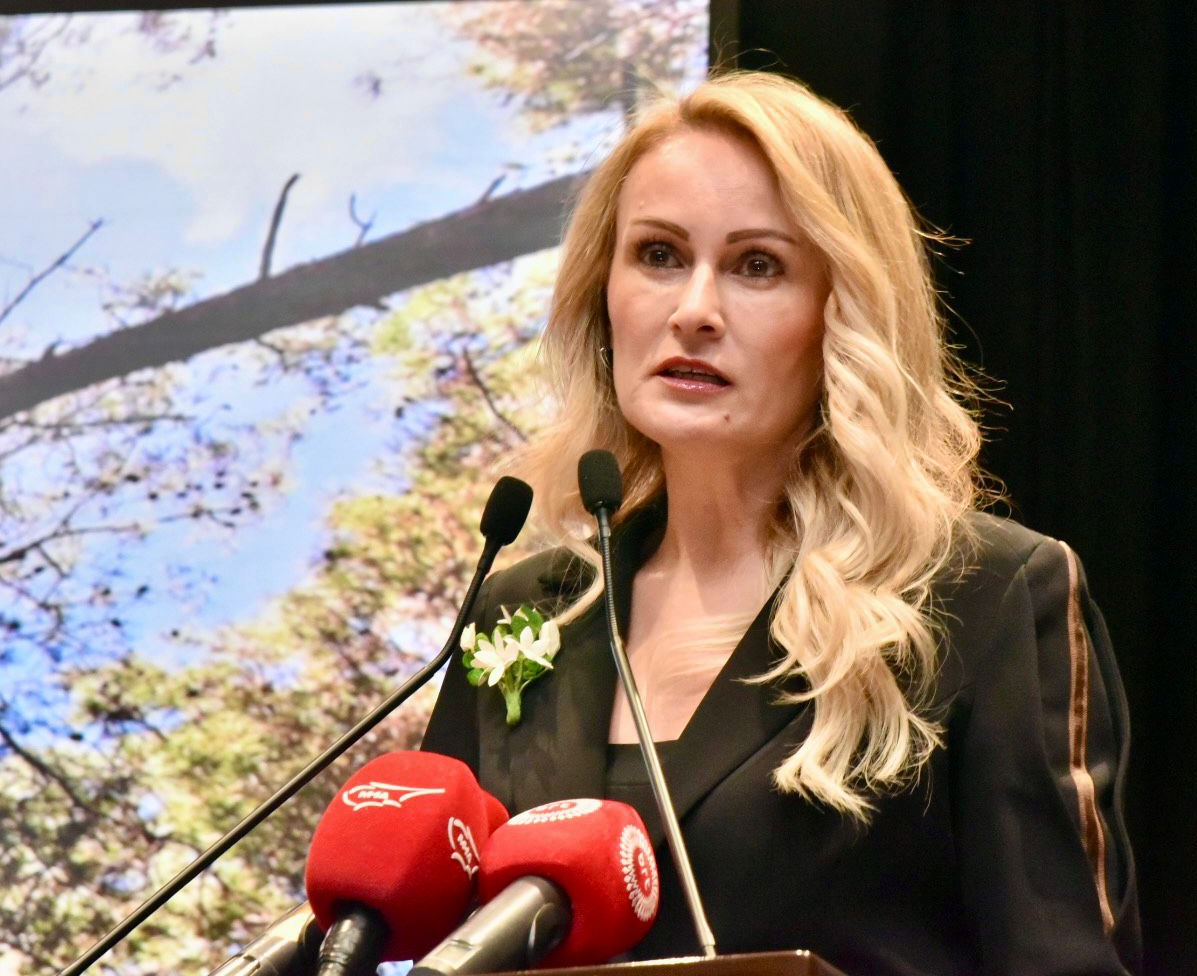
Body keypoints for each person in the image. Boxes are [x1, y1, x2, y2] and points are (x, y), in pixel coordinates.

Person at [421, 70, 1140, 974]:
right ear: (602, 291)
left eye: (757, 266)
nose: (693, 311)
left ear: (844, 313)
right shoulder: (522, 614)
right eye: (658, 255)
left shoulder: (984, 600)